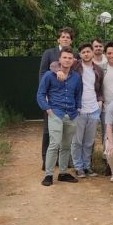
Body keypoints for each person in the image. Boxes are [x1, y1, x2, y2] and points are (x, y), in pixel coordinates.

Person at [51, 43, 104, 178]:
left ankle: (87, 166)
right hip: (78, 109)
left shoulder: (98, 70)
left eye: (88, 51)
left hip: (93, 110)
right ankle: (78, 167)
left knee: (89, 142)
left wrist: (100, 100)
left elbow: (99, 88)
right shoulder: (75, 65)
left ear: (92, 53)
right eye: (83, 52)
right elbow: (54, 65)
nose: (86, 54)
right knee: (77, 141)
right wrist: (58, 71)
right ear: (79, 55)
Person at [36, 47, 82, 186]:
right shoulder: (49, 75)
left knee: (66, 145)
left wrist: (78, 108)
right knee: (54, 143)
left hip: (72, 114)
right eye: (65, 57)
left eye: (70, 58)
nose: (67, 60)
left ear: (73, 60)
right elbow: (40, 94)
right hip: (56, 113)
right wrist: (47, 109)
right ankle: (48, 175)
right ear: (60, 59)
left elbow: (78, 94)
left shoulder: (76, 77)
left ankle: (62, 173)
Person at [38, 27, 75, 171]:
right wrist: (45, 94)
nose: (65, 38)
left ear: (71, 40)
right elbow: (42, 72)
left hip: (67, 100)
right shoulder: (49, 53)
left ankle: (63, 161)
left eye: (68, 37)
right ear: (58, 39)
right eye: (63, 36)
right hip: (51, 98)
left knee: (66, 131)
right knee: (48, 131)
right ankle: (45, 160)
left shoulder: (74, 54)